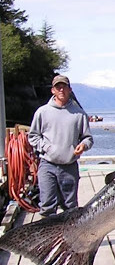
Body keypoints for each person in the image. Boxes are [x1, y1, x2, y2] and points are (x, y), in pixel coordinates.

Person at [28, 75, 94, 216]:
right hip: (47, 165)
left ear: (70, 89)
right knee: (46, 205)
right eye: (58, 87)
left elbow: (88, 138)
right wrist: (46, 148)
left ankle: (69, 237)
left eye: (64, 86)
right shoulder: (42, 112)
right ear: (53, 90)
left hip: (69, 166)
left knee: (70, 207)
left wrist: (83, 145)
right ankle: (46, 236)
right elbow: (33, 136)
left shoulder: (79, 114)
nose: (61, 89)